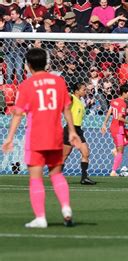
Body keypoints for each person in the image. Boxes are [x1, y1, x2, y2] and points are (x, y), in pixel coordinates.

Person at [1, 48, 80, 228]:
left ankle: (40, 218)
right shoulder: (58, 82)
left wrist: (10, 137)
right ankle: (66, 208)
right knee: (57, 174)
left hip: (36, 137)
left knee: (36, 178)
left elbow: (18, 114)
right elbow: (66, 108)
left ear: (28, 66)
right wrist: (73, 131)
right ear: (46, 63)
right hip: (55, 135)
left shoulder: (27, 85)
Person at [62, 83, 96, 185]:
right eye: (83, 89)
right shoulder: (72, 97)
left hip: (78, 130)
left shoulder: (81, 102)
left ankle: (84, 178)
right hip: (70, 129)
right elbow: (67, 97)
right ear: (76, 91)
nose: (85, 91)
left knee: (86, 153)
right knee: (64, 155)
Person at [100, 85, 128, 177]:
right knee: (120, 152)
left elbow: (109, 113)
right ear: (125, 92)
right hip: (118, 129)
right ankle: (113, 171)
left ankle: (115, 149)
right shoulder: (123, 103)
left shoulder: (114, 101)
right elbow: (120, 117)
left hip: (115, 126)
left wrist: (104, 124)